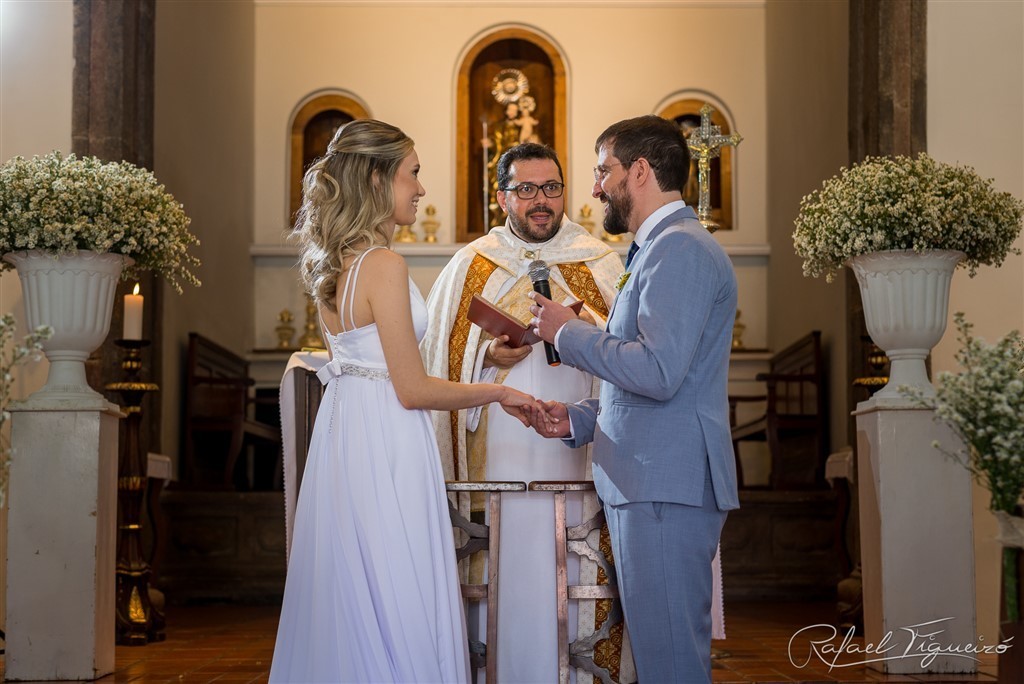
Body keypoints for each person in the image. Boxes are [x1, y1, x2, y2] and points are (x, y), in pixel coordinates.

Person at [269, 119, 543, 684]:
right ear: (376, 178)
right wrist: (501, 391)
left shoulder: (334, 265)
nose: (420, 189)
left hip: (350, 436)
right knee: (397, 577)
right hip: (389, 440)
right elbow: (412, 388)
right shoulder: (384, 266)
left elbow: (383, 365)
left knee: (358, 583)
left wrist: (483, 359)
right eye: (411, 174)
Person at [526, 115, 740, 683]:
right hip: (652, 479)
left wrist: (564, 335)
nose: (596, 187)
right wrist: (578, 419)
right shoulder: (657, 249)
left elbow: (660, 371)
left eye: (604, 171)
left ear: (639, 171)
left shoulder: (680, 249)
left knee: (670, 659)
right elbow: (659, 382)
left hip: (664, 484)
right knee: (659, 652)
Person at [421, 142, 629, 683]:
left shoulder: (599, 260)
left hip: (578, 446)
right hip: (499, 454)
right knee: (508, 567)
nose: (542, 201)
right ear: (502, 196)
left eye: (552, 188)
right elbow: (432, 355)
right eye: (527, 190)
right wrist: (486, 354)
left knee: (570, 561)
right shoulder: (471, 263)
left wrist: (578, 332)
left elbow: (631, 350)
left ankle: (576, 672)